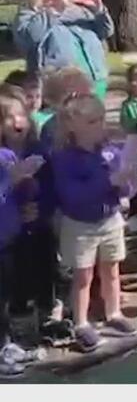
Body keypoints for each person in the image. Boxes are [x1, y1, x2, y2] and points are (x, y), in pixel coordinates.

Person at [52, 94, 137, 352]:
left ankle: (114, 313)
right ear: (72, 125)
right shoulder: (65, 158)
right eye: (92, 121)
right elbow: (71, 195)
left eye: (101, 119)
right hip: (80, 224)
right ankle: (80, 323)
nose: (100, 125)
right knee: (83, 276)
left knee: (112, 269)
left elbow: (123, 188)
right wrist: (109, 182)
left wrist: (125, 181)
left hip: (110, 218)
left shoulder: (109, 150)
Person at [0, 86, 71, 348]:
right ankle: (17, 327)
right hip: (8, 234)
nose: (18, 122)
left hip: (38, 226)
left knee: (45, 266)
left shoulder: (38, 150)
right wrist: (13, 183)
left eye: (21, 115)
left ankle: (47, 315)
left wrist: (41, 205)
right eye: (8, 117)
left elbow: (52, 187)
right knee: (14, 279)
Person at [13, 0, 114, 102]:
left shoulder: (78, 11)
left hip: (95, 79)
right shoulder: (29, 15)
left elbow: (106, 32)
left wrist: (99, 10)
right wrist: (54, 11)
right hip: (60, 85)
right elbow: (30, 37)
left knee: (93, 120)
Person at [0, 148, 47, 377]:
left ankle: (5, 344)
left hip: (8, 239)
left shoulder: (6, 156)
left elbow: (20, 196)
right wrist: (11, 181)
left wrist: (27, 185)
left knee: (5, 296)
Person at [119, 63, 137, 234]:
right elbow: (127, 125)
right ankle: (134, 213)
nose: (136, 84)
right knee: (134, 178)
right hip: (135, 142)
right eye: (133, 81)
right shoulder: (128, 105)